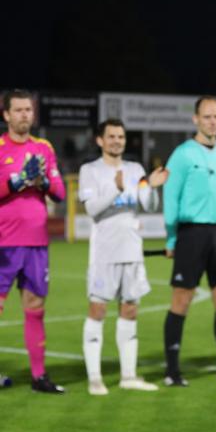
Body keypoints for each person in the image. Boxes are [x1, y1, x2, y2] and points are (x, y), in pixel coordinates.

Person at [162, 96, 216, 386]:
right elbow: (170, 197)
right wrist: (172, 237)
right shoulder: (182, 154)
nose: (213, 121)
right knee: (182, 299)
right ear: (196, 120)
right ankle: (172, 371)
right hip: (191, 233)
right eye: (207, 116)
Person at [79, 119, 168, 395]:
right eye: (112, 136)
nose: (117, 140)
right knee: (98, 310)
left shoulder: (135, 169)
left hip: (131, 250)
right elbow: (92, 209)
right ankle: (95, 378)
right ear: (100, 140)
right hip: (104, 253)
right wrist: (116, 189)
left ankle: (128, 376)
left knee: (130, 310)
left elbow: (148, 205)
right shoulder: (89, 170)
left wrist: (151, 187)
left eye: (121, 136)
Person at [0, 89, 66, 393]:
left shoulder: (44, 148)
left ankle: (39, 376)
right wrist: (15, 182)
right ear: (6, 115)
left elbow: (60, 193)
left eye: (28, 110)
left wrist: (43, 182)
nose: (25, 115)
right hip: (4, 242)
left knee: (35, 306)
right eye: (19, 110)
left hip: (36, 244)